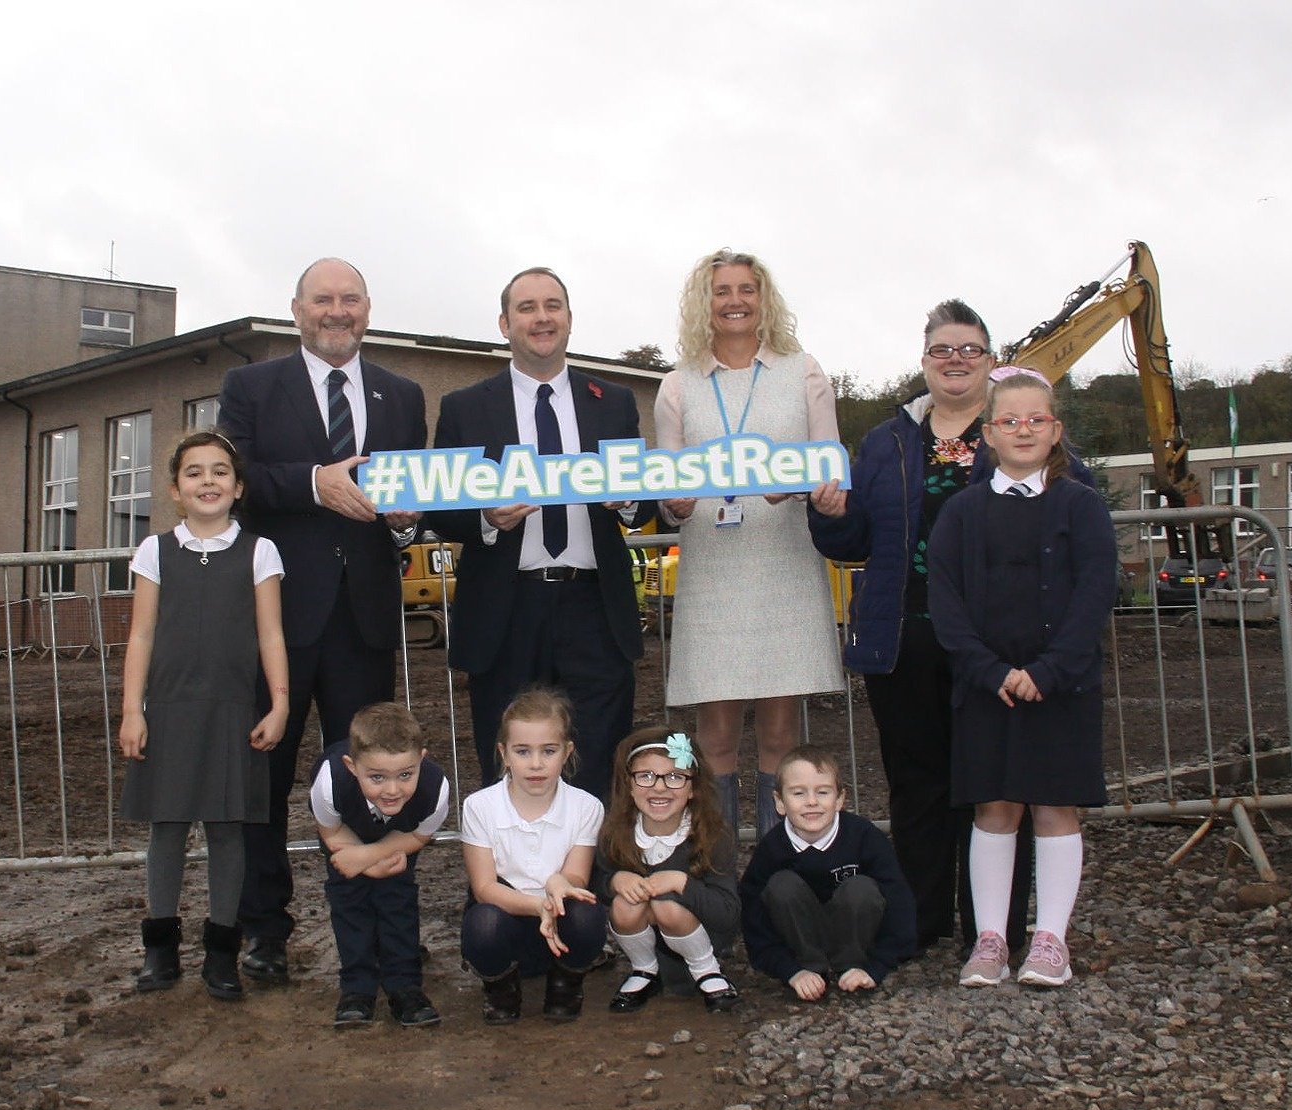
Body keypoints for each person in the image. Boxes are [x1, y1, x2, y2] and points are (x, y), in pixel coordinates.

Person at [216, 257, 428, 986]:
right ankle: (264, 931)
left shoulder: (402, 394)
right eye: (323, 300)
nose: (337, 311)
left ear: (368, 308)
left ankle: (379, 927)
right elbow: (235, 479)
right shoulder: (250, 386)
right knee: (261, 782)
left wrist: (409, 519)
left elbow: (411, 496)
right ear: (297, 310)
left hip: (364, 618)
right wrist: (315, 482)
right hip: (274, 617)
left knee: (375, 779)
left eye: (350, 299)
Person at [807, 301, 1036, 959]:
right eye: (943, 349)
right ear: (924, 360)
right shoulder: (886, 443)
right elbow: (853, 539)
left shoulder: (1018, 430)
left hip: (994, 642)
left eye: (969, 348)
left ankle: (994, 928)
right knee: (916, 785)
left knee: (994, 785)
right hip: (903, 637)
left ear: (991, 360)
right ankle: (923, 920)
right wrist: (826, 512)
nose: (956, 360)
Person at [423, 267, 651, 800]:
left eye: (553, 306)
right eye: (526, 308)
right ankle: (502, 883)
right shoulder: (464, 407)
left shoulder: (613, 403)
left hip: (595, 607)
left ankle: (588, 880)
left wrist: (630, 501)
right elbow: (439, 508)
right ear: (505, 323)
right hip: (506, 610)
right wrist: (485, 518)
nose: (541, 317)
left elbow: (641, 501)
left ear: (569, 320)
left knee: (596, 763)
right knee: (507, 763)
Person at [927, 371, 1119, 988]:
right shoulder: (960, 512)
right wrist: (990, 672)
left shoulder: (1081, 506)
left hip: (1061, 685)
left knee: (1056, 808)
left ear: (1056, 430)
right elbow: (946, 601)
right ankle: (990, 941)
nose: (1024, 430)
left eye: (1036, 420)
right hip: (987, 688)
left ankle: (1050, 941)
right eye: (1010, 421)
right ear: (988, 434)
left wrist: (1049, 671)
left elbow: (1094, 595)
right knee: (994, 808)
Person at [653, 249, 844, 837]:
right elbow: (667, 485)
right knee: (713, 734)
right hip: (713, 571)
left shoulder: (804, 371)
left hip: (784, 565)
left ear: (764, 299)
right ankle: (718, 872)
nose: (735, 301)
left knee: (782, 731)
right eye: (722, 291)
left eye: (746, 289)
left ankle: (777, 868)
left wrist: (810, 488)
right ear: (703, 304)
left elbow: (829, 465)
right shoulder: (677, 385)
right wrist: (675, 502)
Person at [119, 431, 290, 1001]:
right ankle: (159, 952)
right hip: (167, 712)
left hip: (233, 712)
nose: (208, 481)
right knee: (166, 831)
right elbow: (141, 634)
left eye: (220, 472)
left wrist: (281, 703)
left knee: (227, 833)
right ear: (175, 490)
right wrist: (131, 711)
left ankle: (222, 955)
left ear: (237, 487)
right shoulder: (154, 551)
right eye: (194, 473)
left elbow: (270, 634)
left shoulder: (260, 551)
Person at [457, 688, 608, 1023]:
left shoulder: (586, 806)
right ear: (504, 753)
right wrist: (538, 905)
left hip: (560, 923)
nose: (536, 763)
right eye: (523, 751)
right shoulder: (479, 806)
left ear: (567, 752)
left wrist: (559, 882)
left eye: (548, 751)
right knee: (483, 923)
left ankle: (565, 983)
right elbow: (484, 888)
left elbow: (578, 877)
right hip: (506, 921)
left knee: (587, 916)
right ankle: (500, 988)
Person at [309, 701, 450, 1029]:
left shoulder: (435, 788)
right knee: (349, 900)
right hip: (346, 837)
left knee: (398, 898)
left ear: (422, 760)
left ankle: (405, 985)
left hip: (399, 839)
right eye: (376, 777)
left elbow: (417, 837)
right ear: (351, 766)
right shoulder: (329, 781)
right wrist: (362, 863)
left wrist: (373, 857)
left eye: (405, 774)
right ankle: (357, 988)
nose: (392, 790)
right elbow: (330, 830)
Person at [738, 746, 916, 1001]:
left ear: (840, 799)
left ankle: (851, 967)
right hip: (801, 948)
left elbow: (900, 903)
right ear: (779, 802)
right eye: (799, 793)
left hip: (856, 945)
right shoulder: (772, 849)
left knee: (861, 888)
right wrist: (789, 970)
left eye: (822, 792)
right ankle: (811, 969)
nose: (812, 802)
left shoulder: (865, 837)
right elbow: (754, 919)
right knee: (781, 885)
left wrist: (876, 967)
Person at [594, 726, 742, 1014]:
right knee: (625, 905)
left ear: (692, 788)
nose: (659, 787)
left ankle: (707, 971)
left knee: (667, 905)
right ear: (630, 785)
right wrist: (615, 881)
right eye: (646, 776)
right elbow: (596, 885)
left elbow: (728, 914)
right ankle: (645, 970)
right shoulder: (617, 833)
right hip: (650, 943)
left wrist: (682, 882)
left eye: (674, 777)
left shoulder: (713, 836)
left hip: (704, 936)